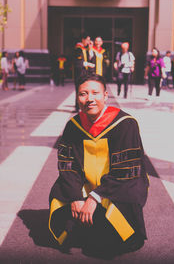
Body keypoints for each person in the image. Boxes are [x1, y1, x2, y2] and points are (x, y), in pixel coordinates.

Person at [48, 73, 149, 257]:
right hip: (85, 185)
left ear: (105, 96)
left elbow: (126, 170)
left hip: (118, 186)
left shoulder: (126, 124)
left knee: (111, 239)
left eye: (95, 93)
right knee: (61, 200)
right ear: (77, 98)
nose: (89, 99)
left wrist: (95, 197)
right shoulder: (73, 125)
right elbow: (68, 165)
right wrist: (75, 196)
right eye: (83, 94)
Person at [74, 32, 95, 110]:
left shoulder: (83, 49)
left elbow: (90, 57)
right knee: (79, 90)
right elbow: (78, 62)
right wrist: (88, 64)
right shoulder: (78, 49)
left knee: (82, 89)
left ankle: (80, 106)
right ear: (83, 39)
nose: (88, 42)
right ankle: (77, 106)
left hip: (83, 73)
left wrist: (90, 48)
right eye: (87, 40)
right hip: (79, 73)